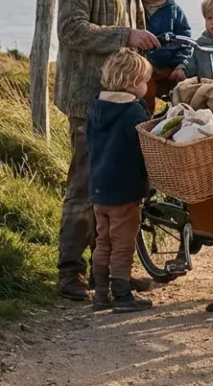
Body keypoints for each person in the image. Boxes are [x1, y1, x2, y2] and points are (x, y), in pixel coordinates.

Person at [53, 0, 170, 301]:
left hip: (124, 100)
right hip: (89, 100)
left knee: (119, 190)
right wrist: (125, 36)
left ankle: (107, 273)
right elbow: (70, 30)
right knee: (86, 188)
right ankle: (70, 274)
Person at [87, 48, 155, 313]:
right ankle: (123, 294)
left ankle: (101, 293)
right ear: (132, 82)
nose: (146, 87)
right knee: (123, 243)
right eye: (144, 81)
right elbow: (143, 148)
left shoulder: (96, 106)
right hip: (124, 190)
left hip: (99, 187)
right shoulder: (133, 113)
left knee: (103, 241)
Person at [137, 0, 191, 113]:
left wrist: (182, 65)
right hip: (144, 69)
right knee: (146, 92)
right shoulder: (136, 9)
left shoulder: (174, 11)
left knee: (186, 91)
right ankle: (144, 125)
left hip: (169, 67)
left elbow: (185, 41)